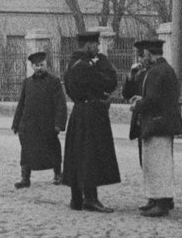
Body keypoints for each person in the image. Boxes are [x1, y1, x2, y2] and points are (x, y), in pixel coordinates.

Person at [61, 31, 120, 212]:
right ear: (88, 46)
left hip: (79, 111)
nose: (98, 49)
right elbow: (109, 83)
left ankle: (76, 199)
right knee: (90, 155)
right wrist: (103, 62)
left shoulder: (71, 64)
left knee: (77, 155)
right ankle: (91, 198)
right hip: (91, 114)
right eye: (96, 45)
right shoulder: (85, 66)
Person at [127, 39, 182, 217]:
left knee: (158, 163)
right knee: (156, 161)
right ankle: (158, 198)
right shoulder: (163, 69)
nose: (140, 58)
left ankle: (161, 202)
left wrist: (137, 104)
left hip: (158, 122)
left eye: (141, 54)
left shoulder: (157, 72)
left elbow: (153, 100)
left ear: (147, 54)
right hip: (162, 122)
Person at [11, 51, 67, 189]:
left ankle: (58, 174)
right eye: (36, 65)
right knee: (26, 151)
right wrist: (16, 123)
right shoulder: (27, 82)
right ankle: (25, 178)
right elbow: (21, 103)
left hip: (48, 125)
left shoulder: (54, 82)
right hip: (29, 124)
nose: (39, 68)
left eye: (42, 65)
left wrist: (59, 124)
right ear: (32, 66)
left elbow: (61, 104)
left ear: (46, 65)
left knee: (53, 149)